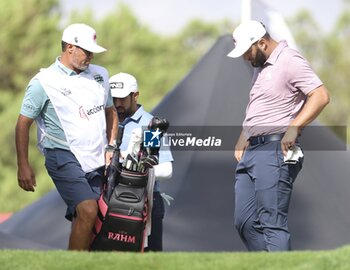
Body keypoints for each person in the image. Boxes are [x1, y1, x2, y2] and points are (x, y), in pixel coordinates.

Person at [227, 20, 330, 251]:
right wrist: (245, 133)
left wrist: (294, 126)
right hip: (252, 150)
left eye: (247, 52)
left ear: (262, 43)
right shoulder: (261, 67)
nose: (245, 58)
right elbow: (261, 106)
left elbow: (320, 95)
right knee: (244, 222)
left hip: (276, 150)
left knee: (271, 222)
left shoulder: (289, 60)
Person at [15, 23, 118, 250]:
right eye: (86, 51)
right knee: (88, 210)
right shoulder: (43, 82)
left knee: (89, 217)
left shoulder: (100, 75)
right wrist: (23, 165)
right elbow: (23, 124)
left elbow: (111, 112)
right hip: (61, 155)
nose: (91, 56)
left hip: (96, 157)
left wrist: (111, 146)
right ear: (70, 47)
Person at [109, 72, 173, 251]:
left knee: (149, 260)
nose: (117, 104)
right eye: (113, 99)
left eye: (122, 99)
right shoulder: (106, 121)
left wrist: (130, 169)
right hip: (111, 199)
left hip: (145, 201)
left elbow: (166, 169)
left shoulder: (149, 126)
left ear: (135, 95)